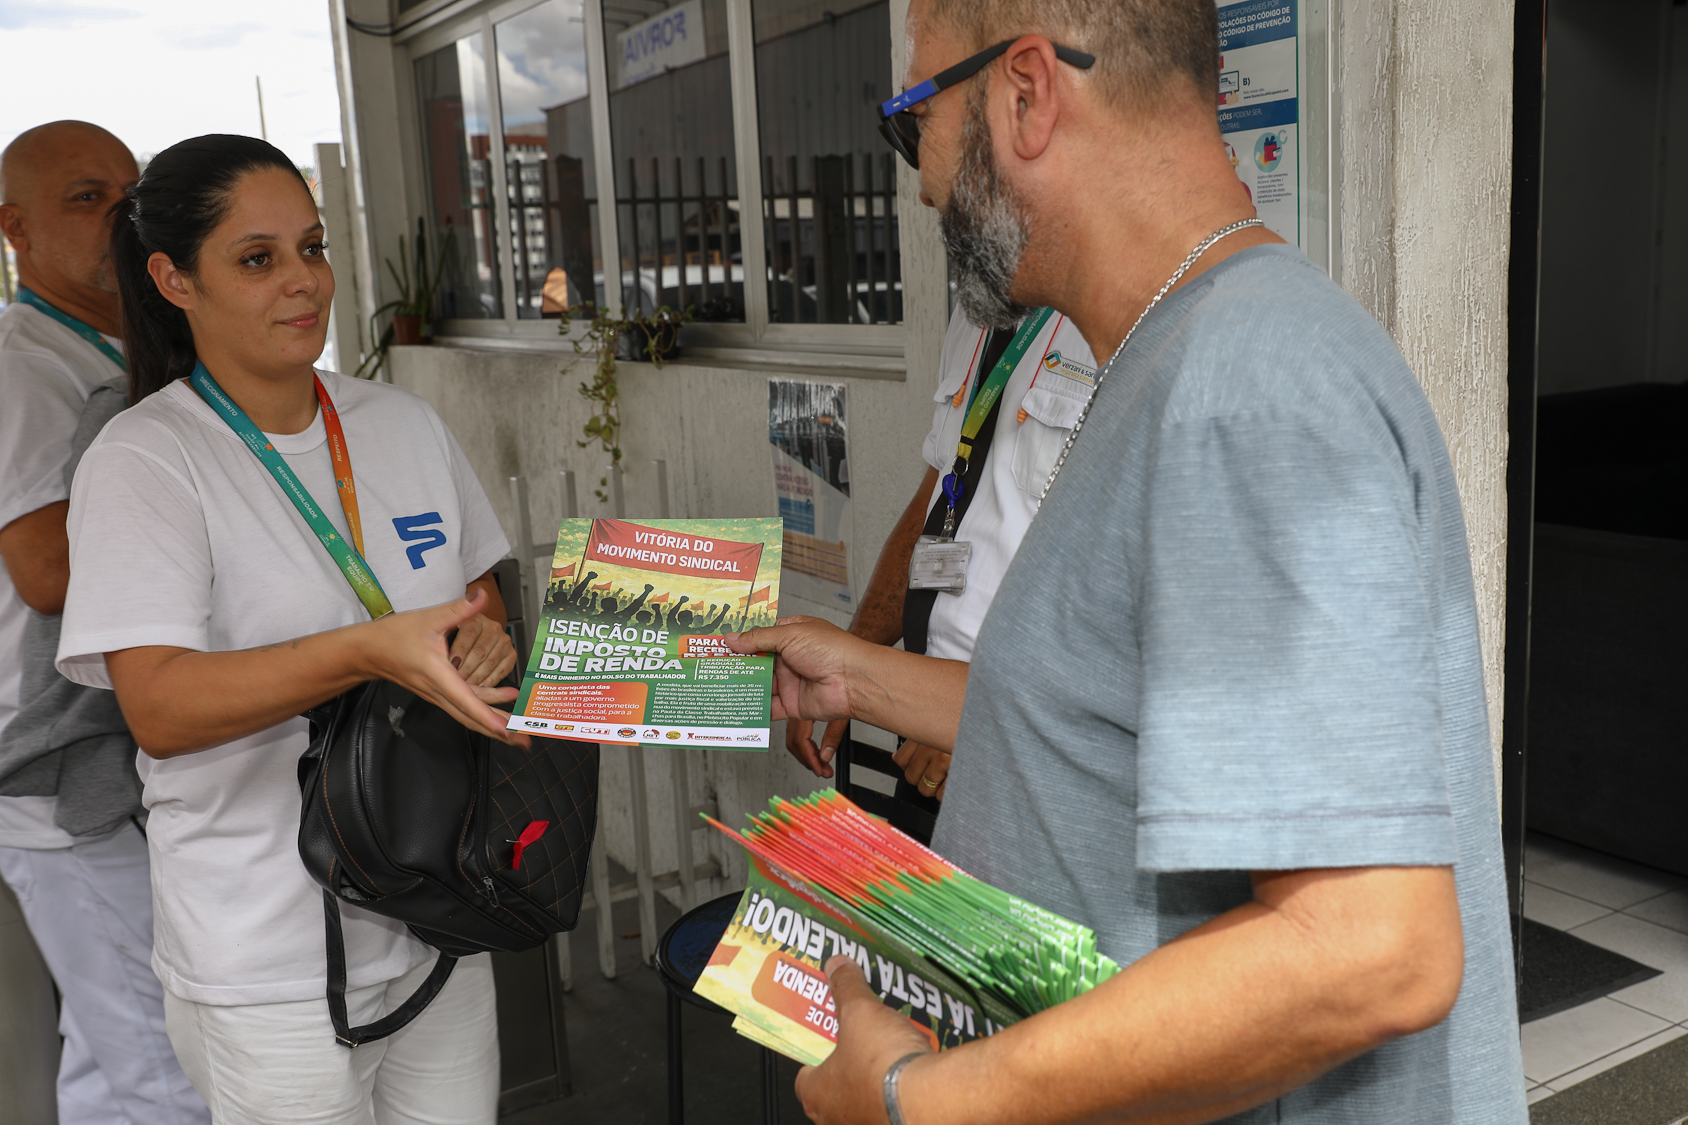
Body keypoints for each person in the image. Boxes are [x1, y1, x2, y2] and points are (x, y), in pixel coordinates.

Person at [729, 0, 1528, 1121]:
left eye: (917, 121)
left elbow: (1372, 950)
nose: (918, 183)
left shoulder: (1242, 388)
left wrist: (923, 1099)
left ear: (1023, 95)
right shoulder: (1172, 358)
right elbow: (1102, 722)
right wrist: (857, 676)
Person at [54, 134, 527, 1125]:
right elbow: (160, 707)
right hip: (266, 963)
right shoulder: (148, 459)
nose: (303, 282)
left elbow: (478, 598)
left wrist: (486, 641)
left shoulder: (401, 423)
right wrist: (365, 651)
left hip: (439, 913)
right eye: (257, 258)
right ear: (174, 279)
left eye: (311, 248)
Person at [0, 119, 209, 1125]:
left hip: (126, 754)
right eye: (87, 199)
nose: (117, 218)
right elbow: (45, 571)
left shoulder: (127, 347)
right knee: (158, 1065)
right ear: (15, 231)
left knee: (108, 1049)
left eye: (130, 195)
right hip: (61, 772)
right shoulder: (21, 368)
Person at [785, 304, 1096, 801]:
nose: (945, 224)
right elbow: (939, 493)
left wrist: (978, 719)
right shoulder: (974, 311)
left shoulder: (1121, 320)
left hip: (1020, 746)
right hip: (917, 718)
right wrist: (853, 663)